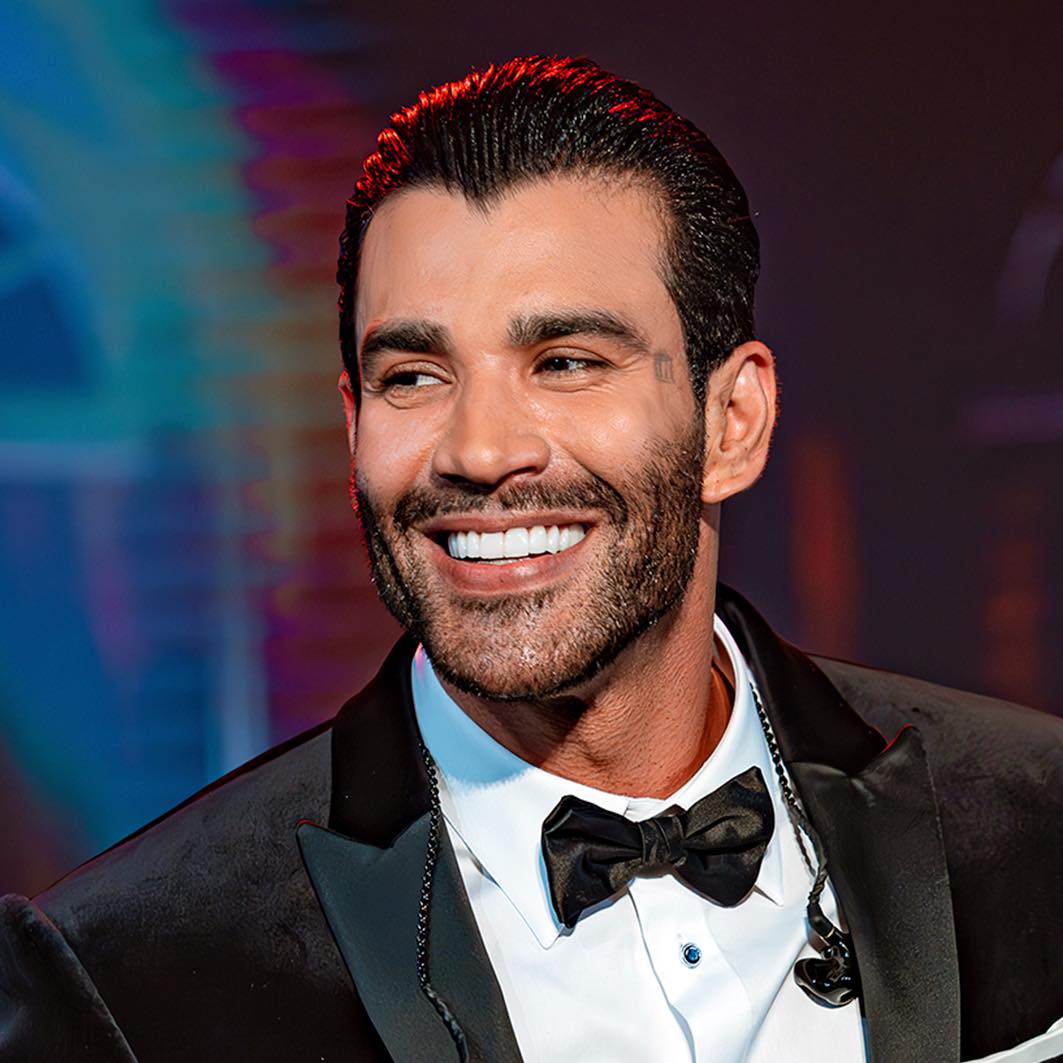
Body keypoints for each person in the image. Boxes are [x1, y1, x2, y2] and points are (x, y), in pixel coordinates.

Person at [1, 55, 1061, 1063]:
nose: (479, 450)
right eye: (414, 376)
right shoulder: (128, 977)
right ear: (354, 424)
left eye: (564, 361)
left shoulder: (1035, 824)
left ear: (731, 421)